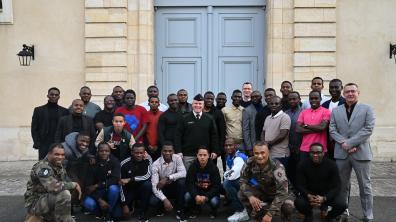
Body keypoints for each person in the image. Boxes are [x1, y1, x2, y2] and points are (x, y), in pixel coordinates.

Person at [329, 83, 375, 222]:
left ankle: (368, 215)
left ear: (358, 92)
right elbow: (332, 130)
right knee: (342, 185)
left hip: (360, 153)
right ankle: (342, 211)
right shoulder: (337, 111)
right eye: (347, 91)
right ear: (343, 94)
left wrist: (349, 144)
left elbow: (368, 129)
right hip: (342, 154)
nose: (350, 94)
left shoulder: (367, 108)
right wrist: (345, 144)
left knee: (365, 186)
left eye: (353, 91)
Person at [24, 143, 82, 222]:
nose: (60, 157)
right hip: (35, 203)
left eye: (62, 155)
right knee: (64, 194)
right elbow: (54, 187)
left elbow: (64, 183)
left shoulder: (59, 166)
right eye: (57, 154)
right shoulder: (43, 167)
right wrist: (74, 184)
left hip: (48, 199)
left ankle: (43, 217)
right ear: (49, 154)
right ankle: (35, 215)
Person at [238, 142, 293, 222]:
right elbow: (243, 180)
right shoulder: (249, 162)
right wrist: (250, 196)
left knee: (288, 206)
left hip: (280, 193)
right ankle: (256, 214)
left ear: (268, 153)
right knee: (241, 193)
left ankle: (285, 218)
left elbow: (282, 192)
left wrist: (269, 214)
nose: (259, 156)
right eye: (256, 153)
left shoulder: (277, 167)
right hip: (263, 190)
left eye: (262, 153)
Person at [295, 143, 346, 222]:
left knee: (342, 204)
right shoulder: (302, 164)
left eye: (318, 152)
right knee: (299, 203)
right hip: (310, 195)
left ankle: (329, 217)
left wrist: (325, 198)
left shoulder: (331, 165)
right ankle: (309, 215)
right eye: (313, 152)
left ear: (323, 153)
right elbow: (299, 185)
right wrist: (308, 195)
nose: (315, 155)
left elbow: (337, 186)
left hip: (326, 194)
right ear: (309, 153)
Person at [175, 94, 219, 170]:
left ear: (203, 105)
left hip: (204, 155)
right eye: (195, 103)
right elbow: (177, 135)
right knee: (188, 177)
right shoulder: (184, 118)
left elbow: (214, 136)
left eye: (200, 104)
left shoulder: (209, 118)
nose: (197, 105)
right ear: (192, 104)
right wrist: (179, 151)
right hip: (187, 155)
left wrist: (214, 150)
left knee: (203, 178)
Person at [83, 143, 121, 222]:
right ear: (97, 151)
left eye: (106, 151)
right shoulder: (93, 162)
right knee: (88, 203)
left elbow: (115, 179)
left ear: (110, 151)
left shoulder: (115, 161)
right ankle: (100, 213)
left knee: (114, 189)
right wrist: (99, 200)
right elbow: (89, 186)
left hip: (109, 191)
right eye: (101, 151)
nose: (104, 153)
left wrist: (97, 185)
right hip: (97, 193)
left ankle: (108, 213)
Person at [150, 142, 187, 221]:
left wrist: (168, 178)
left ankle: (180, 210)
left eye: (170, 151)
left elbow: (184, 173)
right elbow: (154, 186)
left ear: (173, 151)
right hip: (162, 187)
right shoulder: (155, 164)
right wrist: (165, 200)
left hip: (174, 186)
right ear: (161, 152)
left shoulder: (177, 158)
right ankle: (161, 207)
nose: (167, 153)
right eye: (165, 151)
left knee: (182, 182)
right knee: (153, 201)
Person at [31, 87, 69, 159]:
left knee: (58, 163)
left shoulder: (65, 111)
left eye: (56, 95)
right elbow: (34, 128)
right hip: (44, 143)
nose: (54, 96)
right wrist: (37, 142)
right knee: (43, 165)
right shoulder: (38, 110)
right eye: (52, 94)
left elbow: (66, 128)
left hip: (59, 142)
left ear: (59, 97)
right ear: (47, 96)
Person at [185, 146, 221, 219]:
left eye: (204, 155)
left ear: (208, 156)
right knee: (187, 196)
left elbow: (217, 186)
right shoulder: (193, 167)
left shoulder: (213, 168)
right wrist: (196, 195)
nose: (202, 157)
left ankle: (213, 211)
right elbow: (189, 183)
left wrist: (206, 197)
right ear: (197, 155)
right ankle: (195, 209)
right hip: (197, 191)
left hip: (209, 192)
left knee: (215, 202)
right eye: (200, 155)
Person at [120, 143, 152, 221]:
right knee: (119, 215)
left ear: (144, 153)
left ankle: (142, 212)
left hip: (141, 189)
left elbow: (148, 175)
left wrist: (130, 179)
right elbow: (121, 185)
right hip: (129, 190)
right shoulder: (124, 163)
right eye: (136, 153)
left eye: (141, 153)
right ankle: (130, 205)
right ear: (132, 152)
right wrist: (124, 204)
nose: (139, 155)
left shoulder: (148, 160)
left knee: (147, 185)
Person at [296, 91, 331, 161]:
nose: (313, 100)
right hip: (305, 148)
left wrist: (306, 126)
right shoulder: (304, 112)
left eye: (316, 98)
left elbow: (322, 127)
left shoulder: (326, 111)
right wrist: (317, 128)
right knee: (305, 171)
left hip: (320, 149)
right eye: (311, 98)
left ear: (320, 99)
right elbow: (298, 129)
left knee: (320, 171)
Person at [62, 132, 93, 206]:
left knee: (80, 182)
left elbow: (84, 154)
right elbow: (60, 169)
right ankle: (67, 207)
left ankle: (75, 203)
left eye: (87, 142)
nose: (84, 144)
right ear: (76, 139)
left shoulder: (84, 149)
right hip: (62, 170)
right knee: (74, 186)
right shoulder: (66, 150)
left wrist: (90, 157)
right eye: (82, 141)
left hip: (72, 167)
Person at [222, 138, 249, 222]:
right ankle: (241, 207)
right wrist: (226, 175)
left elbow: (231, 176)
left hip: (252, 184)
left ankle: (242, 211)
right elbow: (228, 173)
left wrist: (226, 175)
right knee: (224, 184)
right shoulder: (229, 157)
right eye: (226, 145)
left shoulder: (239, 158)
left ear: (235, 146)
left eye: (230, 145)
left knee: (227, 184)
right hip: (243, 182)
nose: (228, 147)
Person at [261, 96, 291, 167]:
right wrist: (264, 143)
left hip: (280, 154)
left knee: (279, 176)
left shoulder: (285, 117)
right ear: (268, 105)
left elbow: (283, 135)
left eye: (276, 103)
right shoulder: (268, 117)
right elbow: (263, 132)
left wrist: (269, 144)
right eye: (271, 104)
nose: (274, 105)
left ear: (281, 105)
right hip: (268, 153)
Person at [322, 79, 345, 160]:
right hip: (327, 140)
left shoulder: (346, 103)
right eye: (331, 87)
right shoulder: (324, 104)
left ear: (341, 88)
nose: (333, 90)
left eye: (336, 87)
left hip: (342, 140)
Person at [203, 91, 226, 171]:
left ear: (214, 100)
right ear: (203, 99)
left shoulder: (218, 113)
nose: (209, 100)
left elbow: (222, 132)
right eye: (207, 98)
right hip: (201, 147)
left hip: (213, 147)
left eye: (211, 99)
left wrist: (218, 149)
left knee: (212, 169)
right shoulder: (199, 111)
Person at [284, 91, 303, 187]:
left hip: (301, 148)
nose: (292, 101)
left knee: (300, 172)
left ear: (299, 99)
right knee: (289, 172)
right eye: (290, 99)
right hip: (287, 148)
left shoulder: (304, 112)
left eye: (294, 99)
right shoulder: (284, 113)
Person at [243, 90, 264, 156]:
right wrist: (249, 148)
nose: (255, 98)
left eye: (257, 96)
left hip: (266, 142)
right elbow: (246, 130)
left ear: (261, 97)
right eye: (252, 97)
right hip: (254, 143)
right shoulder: (247, 110)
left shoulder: (266, 107)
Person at [145, 96, 163, 160]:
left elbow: (163, 132)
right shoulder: (145, 114)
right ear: (148, 103)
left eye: (156, 102)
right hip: (147, 146)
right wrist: (148, 145)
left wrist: (157, 145)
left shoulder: (163, 115)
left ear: (159, 104)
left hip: (159, 146)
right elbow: (143, 132)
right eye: (152, 102)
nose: (154, 103)